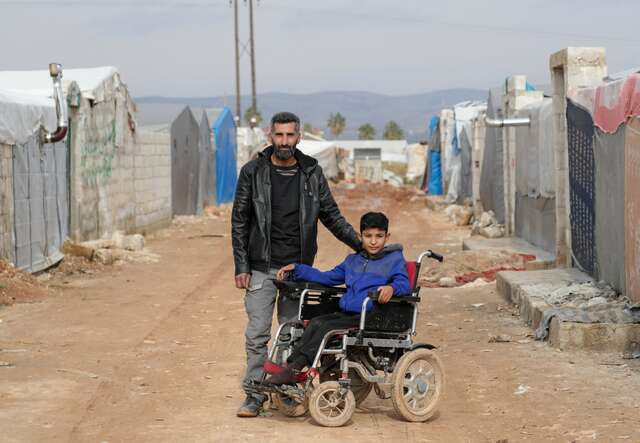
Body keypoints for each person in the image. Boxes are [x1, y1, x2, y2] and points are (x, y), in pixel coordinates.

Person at [232, 111, 361, 417]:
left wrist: (362, 247)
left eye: (290, 135)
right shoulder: (253, 172)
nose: (285, 141)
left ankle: (288, 390)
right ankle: (254, 395)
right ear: (270, 136)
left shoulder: (311, 172)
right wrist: (241, 265)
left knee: (292, 333)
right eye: (279, 135)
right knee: (258, 334)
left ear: (299, 137)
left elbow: (330, 215)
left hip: (297, 270)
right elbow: (239, 220)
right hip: (261, 266)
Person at [265, 211, 410, 385]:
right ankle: (291, 366)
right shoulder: (352, 261)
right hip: (347, 313)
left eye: (379, 236)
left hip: (371, 316)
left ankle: (294, 369)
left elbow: (404, 283)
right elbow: (327, 277)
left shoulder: (393, 260)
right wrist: (297, 269)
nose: (373, 241)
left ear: (387, 237)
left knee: (326, 327)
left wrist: (391, 287)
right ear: (360, 236)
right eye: (368, 236)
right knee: (316, 322)